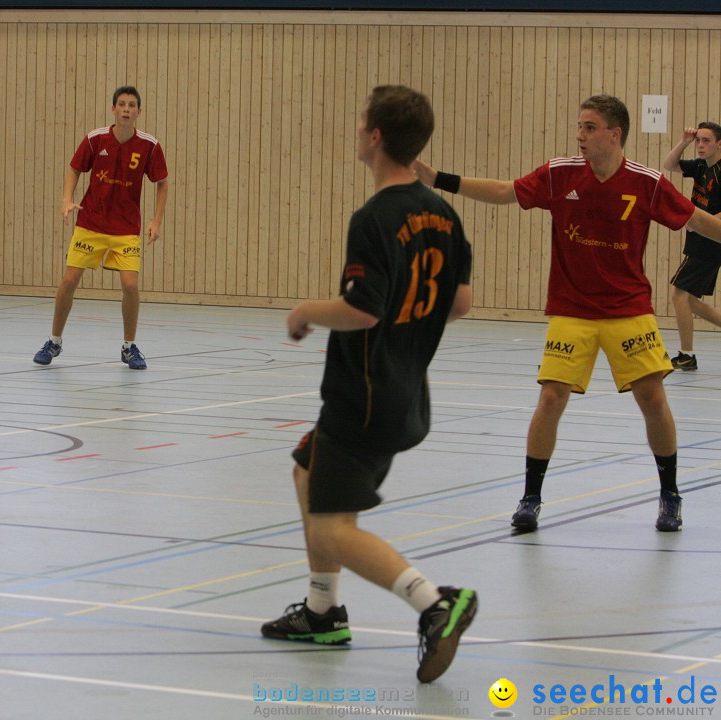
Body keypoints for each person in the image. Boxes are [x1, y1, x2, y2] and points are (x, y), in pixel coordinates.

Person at [415, 94, 721, 533]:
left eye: (590, 127)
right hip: (572, 309)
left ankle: (670, 495)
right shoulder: (560, 174)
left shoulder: (647, 182)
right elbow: (505, 191)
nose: (580, 135)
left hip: (627, 308)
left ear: (615, 135)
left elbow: (697, 219)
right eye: (579, 126)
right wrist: (436, 178)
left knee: (652, 397)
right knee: (551, 397)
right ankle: (530, 497)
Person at [260, 85, 477, 684]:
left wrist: (306, 311)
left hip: (362, 394)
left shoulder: (374, 218)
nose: (357, 129)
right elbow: (460, 301)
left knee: (332, 525)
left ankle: (435, 603)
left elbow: (362, 310)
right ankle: (322, 612)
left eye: (361, 123)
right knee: (308, 469)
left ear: (375, 137)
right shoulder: (445, 214)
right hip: (406, 387)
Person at [33, 85, 169, 370]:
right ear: (113, 109)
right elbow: (74, 169)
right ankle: (54, 341)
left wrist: (156, 221)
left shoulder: (149, 145)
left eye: (132, 105)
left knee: (130, 285)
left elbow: (161, 183)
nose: (126, 109)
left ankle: (129, 348)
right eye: (122, 104)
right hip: (91, 223)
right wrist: (67, 200)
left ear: (139, 112)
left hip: (126, 228)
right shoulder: (95, 140)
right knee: (69, 280)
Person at [663, 121, 721, 371]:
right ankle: (687, 355)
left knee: (679, 295)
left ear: (719, 144)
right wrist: (684, 141)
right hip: (698, 239)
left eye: (706, 141)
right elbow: (670, 165)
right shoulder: (699, 166)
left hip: (709, 241)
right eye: (698, 140)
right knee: (692, 301)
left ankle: (686, 356)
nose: (701, 145)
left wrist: (699, 223)